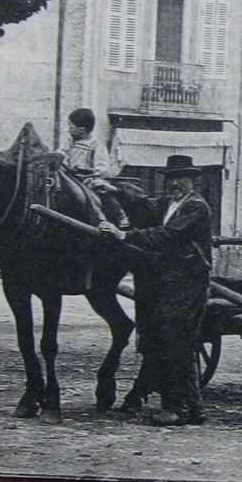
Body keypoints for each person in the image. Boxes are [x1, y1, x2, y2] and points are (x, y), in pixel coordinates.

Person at [99, 154, 212, 427]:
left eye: (180, 178)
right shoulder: (168, 203)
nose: (174, 183)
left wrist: (125, 236)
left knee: (174, 342)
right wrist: (114, 190)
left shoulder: (195, 206)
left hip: (187, 282)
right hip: (168, 279)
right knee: (171, 341)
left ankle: (177, 409)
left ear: (192, 180)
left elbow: (169, 236)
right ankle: (194, 408)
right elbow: (144, 204)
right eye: (171, 178)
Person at [61, 107, 128, 228]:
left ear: (81, 130)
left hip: (89, 178)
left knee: (96, 193)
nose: (68, 130)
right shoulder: (69, 143)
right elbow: (62, 154)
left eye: (71, 127)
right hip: (71, 177)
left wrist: (95, 173)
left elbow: (102, 167)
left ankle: (117, 216)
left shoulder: (96, 145)